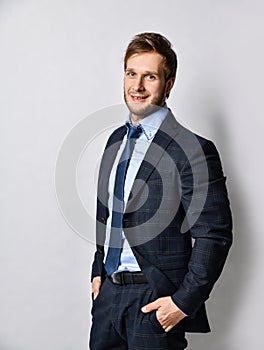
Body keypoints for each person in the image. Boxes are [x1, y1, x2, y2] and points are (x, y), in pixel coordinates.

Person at [89, 32, 232, 350]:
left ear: (168, 84)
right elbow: (109, 213)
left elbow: (214, 234)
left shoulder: (193, 149)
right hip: (108, 299)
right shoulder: (115, 141)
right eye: (131, 73)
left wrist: (182, 303)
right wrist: (98, 273)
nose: (137, 86)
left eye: (149, 76)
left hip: (155, 299)